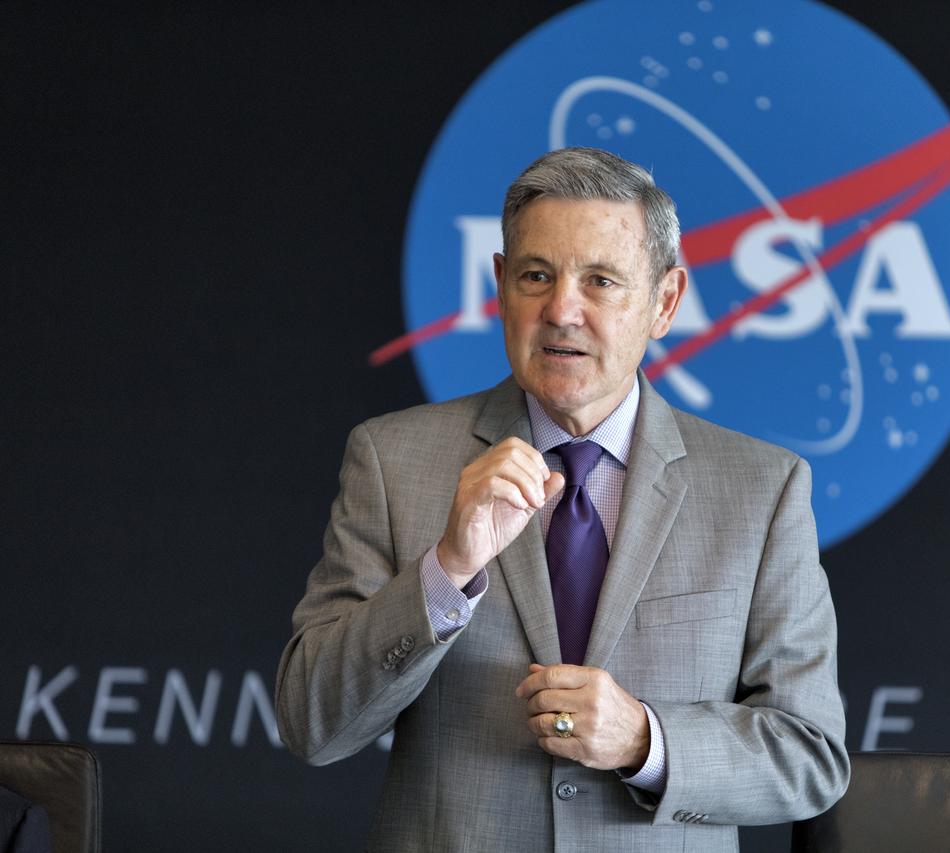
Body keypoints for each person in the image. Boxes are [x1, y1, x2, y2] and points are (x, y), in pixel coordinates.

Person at [275, 147, 849, 852]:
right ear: (500, 286)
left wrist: (647, 739)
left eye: (601, 280)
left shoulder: (763, 488)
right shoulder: (392, 460)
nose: (561, 311)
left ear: (664, 302)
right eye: (536, 276)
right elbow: (311, 722)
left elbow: (810, 757)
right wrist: (446, 571)